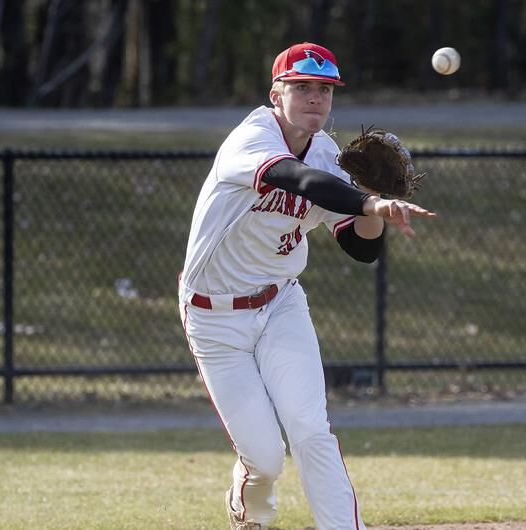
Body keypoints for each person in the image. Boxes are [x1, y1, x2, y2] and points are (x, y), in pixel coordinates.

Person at [177, 42, 435, 530]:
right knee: (266, 459)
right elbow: (291, 177)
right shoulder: (250, 138)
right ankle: (249, 512)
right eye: (301, 88)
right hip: (214, 317)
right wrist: (364, 202)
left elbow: (361, 249)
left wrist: (373, 204)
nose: (315, 98)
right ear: (277, 94)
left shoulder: (329, 156)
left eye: (324, 89)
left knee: (311, 429)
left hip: (280, 304)